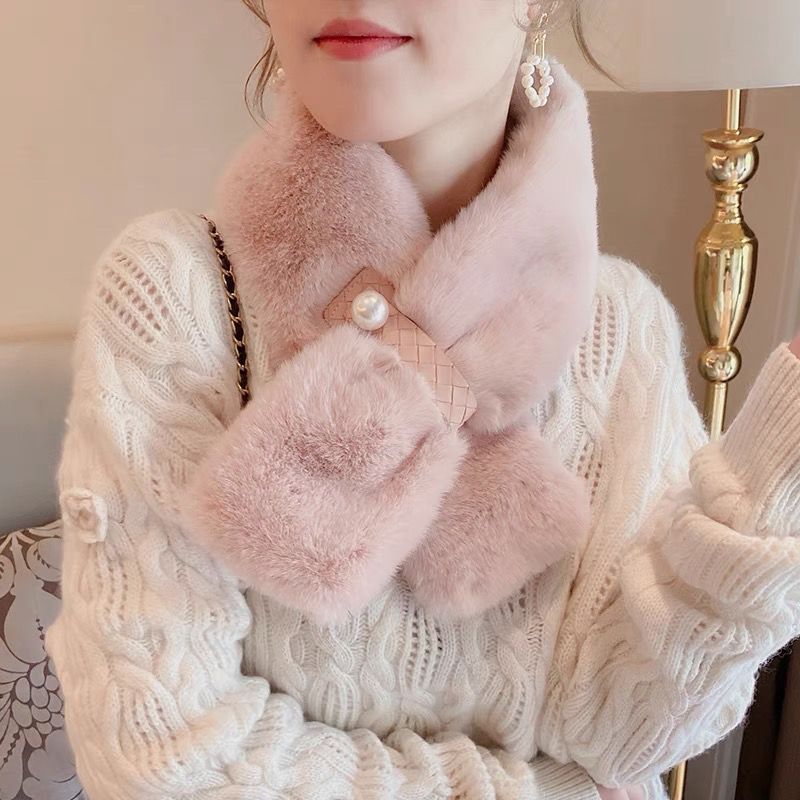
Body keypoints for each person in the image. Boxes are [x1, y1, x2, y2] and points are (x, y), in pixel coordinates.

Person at [45, 2, 800, 799]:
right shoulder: (176, 296)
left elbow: (628, 732)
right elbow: (162, 766)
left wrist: (771, 481)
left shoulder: (619, 327)